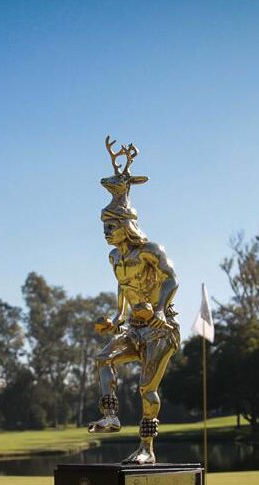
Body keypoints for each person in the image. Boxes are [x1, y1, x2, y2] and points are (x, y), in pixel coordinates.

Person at [88, 137, 179, 464]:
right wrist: (116, 318)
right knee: (103, 358)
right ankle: (110, 416)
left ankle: (147, 449)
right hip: (134, 328)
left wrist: (159, 310)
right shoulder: (114, 258)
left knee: (146, 388)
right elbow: (123, 289)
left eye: (111, 226)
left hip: (160, 328)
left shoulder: (150, 250)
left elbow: (172, 279)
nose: (106, 232)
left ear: (126, 225)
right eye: (104, 226)